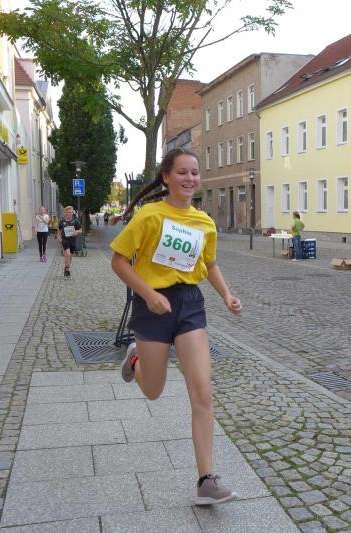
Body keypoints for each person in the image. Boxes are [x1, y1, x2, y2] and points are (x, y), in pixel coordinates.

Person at [110, 148, 242, 505]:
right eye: (182, 172)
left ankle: (206, 480)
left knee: (202, 392)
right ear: (166, 176)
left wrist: (227, 295)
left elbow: (209, 264)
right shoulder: (149, 215)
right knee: (153, 391)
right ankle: (135, 359)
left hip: (189, 306)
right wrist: (148, 293)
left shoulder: (204, 222)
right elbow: (119, 261)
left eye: (195, 172)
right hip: (152, 305)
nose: (190, 178)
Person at [58, 206, 82, 277]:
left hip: (72, 240)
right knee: (67, 254)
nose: (69, 214)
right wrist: (59, 238)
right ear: (65, 213)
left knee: (70, 256)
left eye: (70, 212)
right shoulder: (62, 221)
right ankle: (67, 268)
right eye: (68, 212)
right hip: (65, 240)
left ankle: (67, 268)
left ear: (72, 213)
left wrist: (76, 232)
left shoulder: (76, 221)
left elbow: (81, 230)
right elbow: (59, 230)